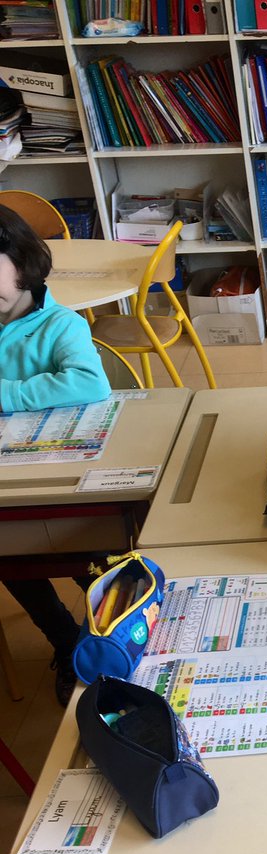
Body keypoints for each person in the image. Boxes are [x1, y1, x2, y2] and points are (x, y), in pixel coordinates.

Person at [0, 203, 110, 705]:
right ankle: (66, 643)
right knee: (11, 558)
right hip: (8, 485)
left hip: (64, 476)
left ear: (22, 264)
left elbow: (90, 382)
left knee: (87, 558)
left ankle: (105, 638)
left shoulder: (59, 325)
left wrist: (7, 394)